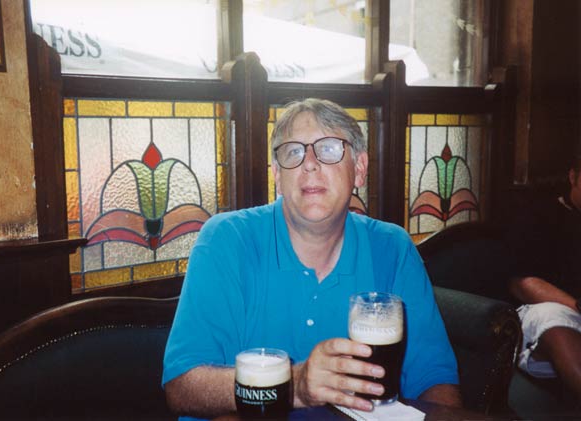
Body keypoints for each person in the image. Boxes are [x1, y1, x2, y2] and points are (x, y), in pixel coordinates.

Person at [162, 98, 461, 419]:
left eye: (329, 149)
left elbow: (434, 378)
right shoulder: (227, 239)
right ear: (277, 174)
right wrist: (296, 384)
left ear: (359, 168)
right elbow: (183, 386)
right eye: (293, 152)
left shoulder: (391, 247)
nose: (309, 164)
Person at [508, 154, 581, 400]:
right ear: (573, 177)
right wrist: (577, 306)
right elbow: (522, 282)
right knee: (554, 319)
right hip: (552, 310)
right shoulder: (541, 215)